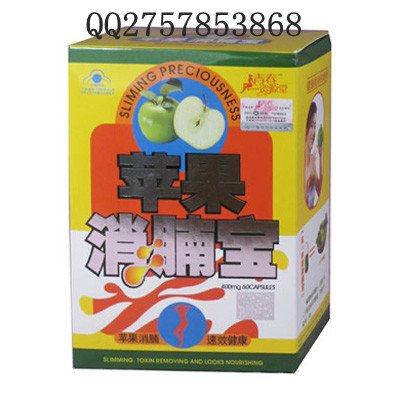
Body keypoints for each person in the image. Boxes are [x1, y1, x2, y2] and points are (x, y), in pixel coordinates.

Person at [304, 102, 323, 208]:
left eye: (315, 126)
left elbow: (320, 192)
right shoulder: (298, 164)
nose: (314, 132)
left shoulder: (312, 160)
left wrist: (320, 156)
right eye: (311, 126)